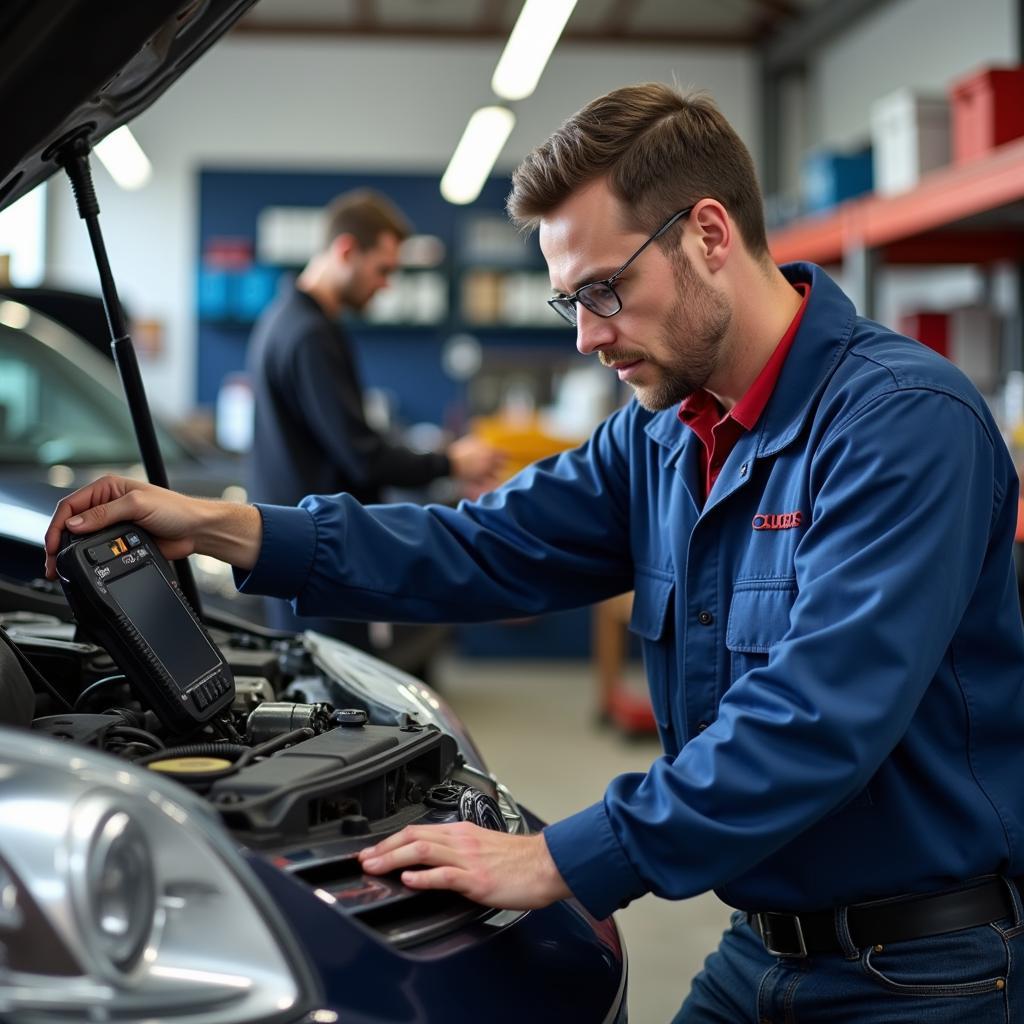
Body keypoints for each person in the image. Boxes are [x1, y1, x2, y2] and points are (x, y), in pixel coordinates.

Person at [47, 84, 1024, 1022]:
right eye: (569, 303)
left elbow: (818, 712)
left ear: (710, 235)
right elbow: (479, 545)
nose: (589, 337)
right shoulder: (663, 436)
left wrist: (565, 856)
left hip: (922, 974)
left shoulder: (900, 425)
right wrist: (222, 525)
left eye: (605, 289)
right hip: (758, 950)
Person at [246, 188, 503, 645]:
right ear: (346, 250)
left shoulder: (286, 319)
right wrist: (451, 461)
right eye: (382, 270)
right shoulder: (309, 335)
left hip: (302, 548)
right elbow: (361, 455)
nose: (385, 285)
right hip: (316, 552)